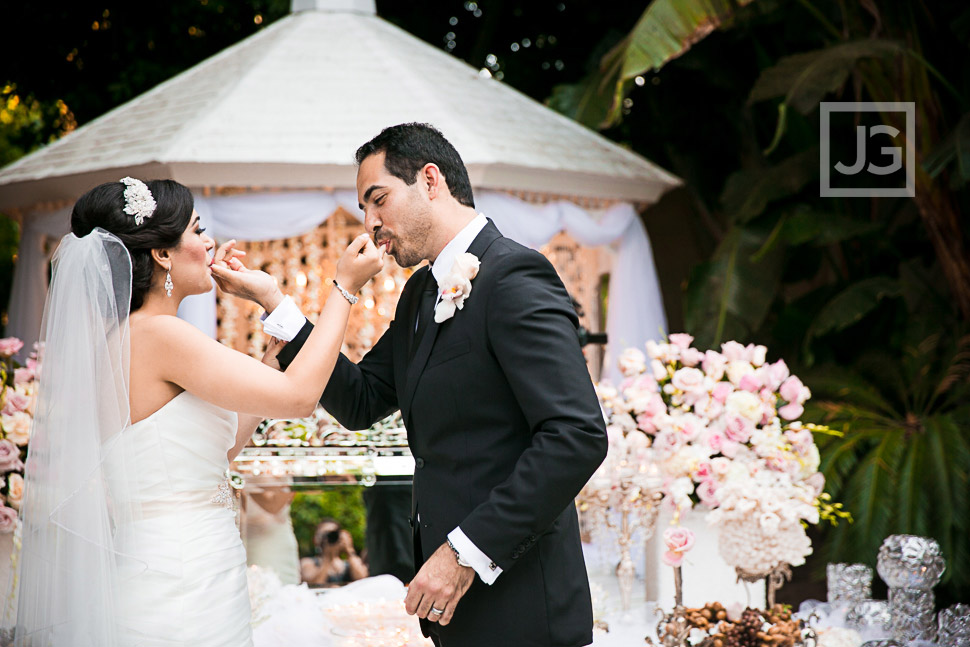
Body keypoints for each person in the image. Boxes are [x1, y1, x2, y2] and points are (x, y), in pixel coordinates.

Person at [218, 123, 608, 647]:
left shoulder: (515, 276)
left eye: (378, 200)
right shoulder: (421, 292)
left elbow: (576, 434)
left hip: (521, 603)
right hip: (452, 608)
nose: (370, 223)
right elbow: (360, 400)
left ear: (430, 180)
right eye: (364, 208)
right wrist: (274, 303)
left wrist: (463, 553)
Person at [13, 177, 383, 647]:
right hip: (179, 575)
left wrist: (271, 359)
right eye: (197, 229)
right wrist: (344, 288)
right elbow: (300, 398)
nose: (210, 243)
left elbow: (219, 451)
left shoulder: (132, 338)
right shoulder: (161, 335)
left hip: (198, 565)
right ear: (163, 255)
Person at [299, 518, 368, 587]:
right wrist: (327, 558)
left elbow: (362, 580)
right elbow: (316, 584)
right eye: (325, 534)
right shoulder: (308, 563)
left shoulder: (349, 564)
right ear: (315, 539)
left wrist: (349, 550)